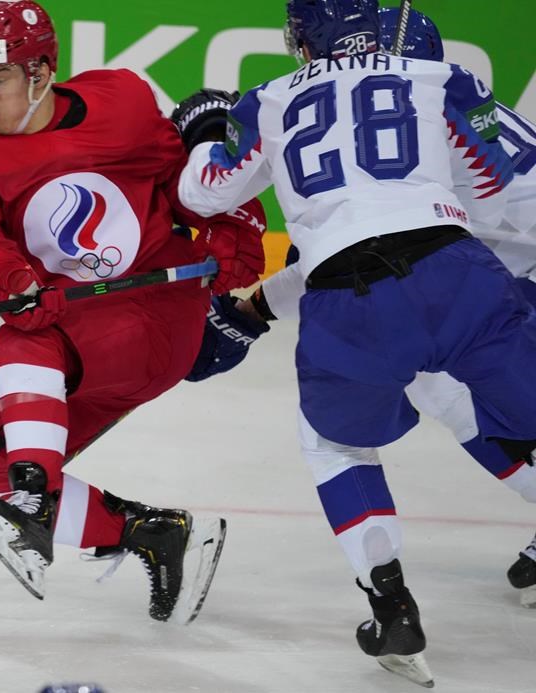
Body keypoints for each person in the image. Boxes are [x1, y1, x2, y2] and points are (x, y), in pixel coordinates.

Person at [173, 0, 534, 685]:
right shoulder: (443, 80)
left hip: (352, 302)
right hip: (465, 275)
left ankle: (389, 599)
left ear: (308, 41)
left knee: (335, 440)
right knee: (478, 392)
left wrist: (207, 132)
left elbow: (207, 193)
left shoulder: (271, 97)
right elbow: (486, 199)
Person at [0, 0, 267, 624]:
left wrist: (229, 229)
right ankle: (149, 532)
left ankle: (34, 501)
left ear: (40, 72)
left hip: (159, 314)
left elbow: (186, 186)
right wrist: (8, 278)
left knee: (18, 345)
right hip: (76, 333)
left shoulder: (123, 103)